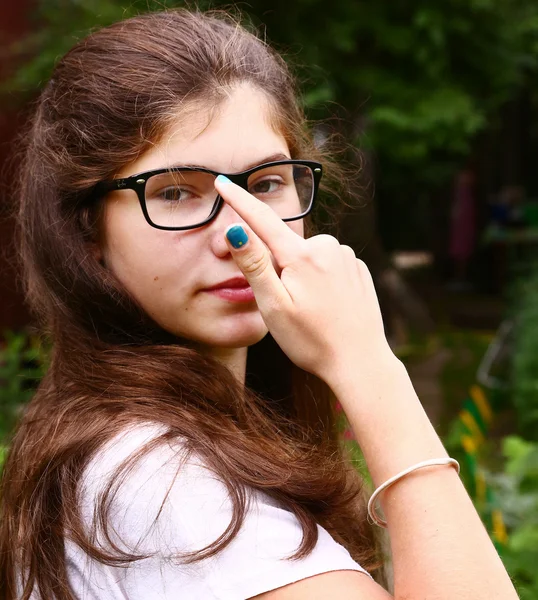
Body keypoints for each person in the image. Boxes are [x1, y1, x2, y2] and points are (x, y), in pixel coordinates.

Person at [0, 8, 518, 600]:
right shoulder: (164, 483)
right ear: (87, 233)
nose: (237, 235)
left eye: (267, 183)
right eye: (175, 192)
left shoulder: (179, 432)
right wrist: (370, 367)